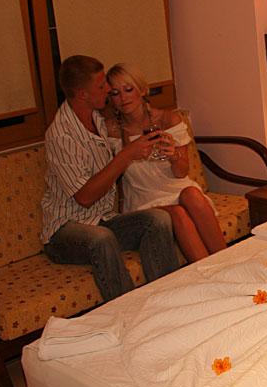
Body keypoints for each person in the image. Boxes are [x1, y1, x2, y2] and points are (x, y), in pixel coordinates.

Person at [41, 55, 181, 301]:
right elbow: (85, 197)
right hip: (65, 231)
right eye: (101, 86)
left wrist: (158, 143)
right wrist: (127, 155)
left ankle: (168, 299)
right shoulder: (62, 136)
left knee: (157, 220)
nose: (108, 89)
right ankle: (127, 312)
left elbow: (136, 113)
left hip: (103, 218)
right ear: (82, 94)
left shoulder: (98, 118)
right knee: (101, 239)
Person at [105, 63, 226, 263]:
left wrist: (174, 155)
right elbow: (108, 175)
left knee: (191, 194)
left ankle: (227, 262)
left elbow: (181, 172)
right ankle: (209, 272)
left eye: (128, 89)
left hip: (176, 189)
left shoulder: (168, 119)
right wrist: (127, 152)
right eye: (115, 93)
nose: (123, 98)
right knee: (178, 213)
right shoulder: (111, 131)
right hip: (144, 200)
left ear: (142, 90)